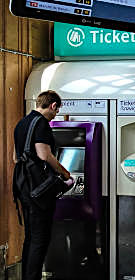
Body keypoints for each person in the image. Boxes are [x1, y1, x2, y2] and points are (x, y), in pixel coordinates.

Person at [12, 90, 73, 280]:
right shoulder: (42, 124)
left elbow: (15, 158)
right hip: (38, 189)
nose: (55, 115)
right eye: (57, 111)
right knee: (40, 238)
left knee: (30, 237)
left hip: (22, 185)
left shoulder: (21, 123)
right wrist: (65, 173)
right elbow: (44, 154)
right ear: (53, 106)